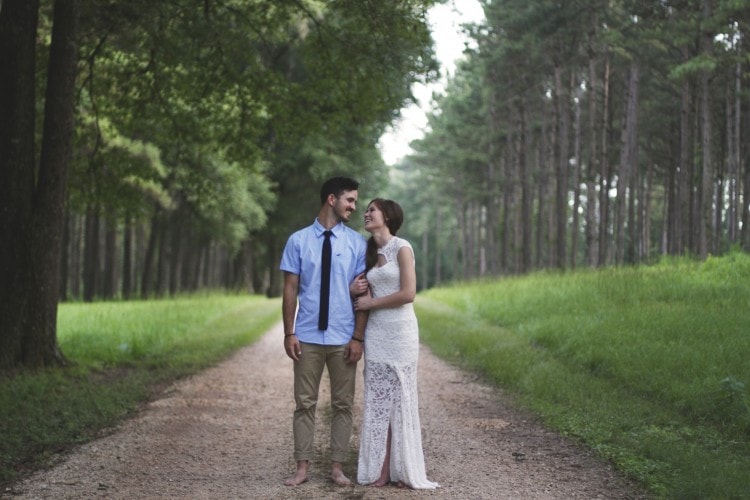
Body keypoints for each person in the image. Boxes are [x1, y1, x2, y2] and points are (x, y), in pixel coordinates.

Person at [279, 176, 368, 487]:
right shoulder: (298, 241)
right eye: (350, 200)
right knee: (304, 403)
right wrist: (289, 333)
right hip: (308, 336)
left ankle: (337, 468)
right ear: (332, 199)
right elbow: (290, 289)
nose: (354, 207)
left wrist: (358, 337)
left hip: (344, 337)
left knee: (343, 404)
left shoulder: (357, 243)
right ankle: (301, 468)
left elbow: (363, 296)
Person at [352, 198, 439, 489]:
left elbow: (408, 293)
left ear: (387, 216)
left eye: (371, 210)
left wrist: (371, 301)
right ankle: (381, 469)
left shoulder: (402, 247)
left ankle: (402, 469)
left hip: (400, 332)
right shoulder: (367, 251)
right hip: (376, 333)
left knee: (401, 399)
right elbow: (358, 291)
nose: (365, 213)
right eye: (365, 210)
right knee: (378, 401)